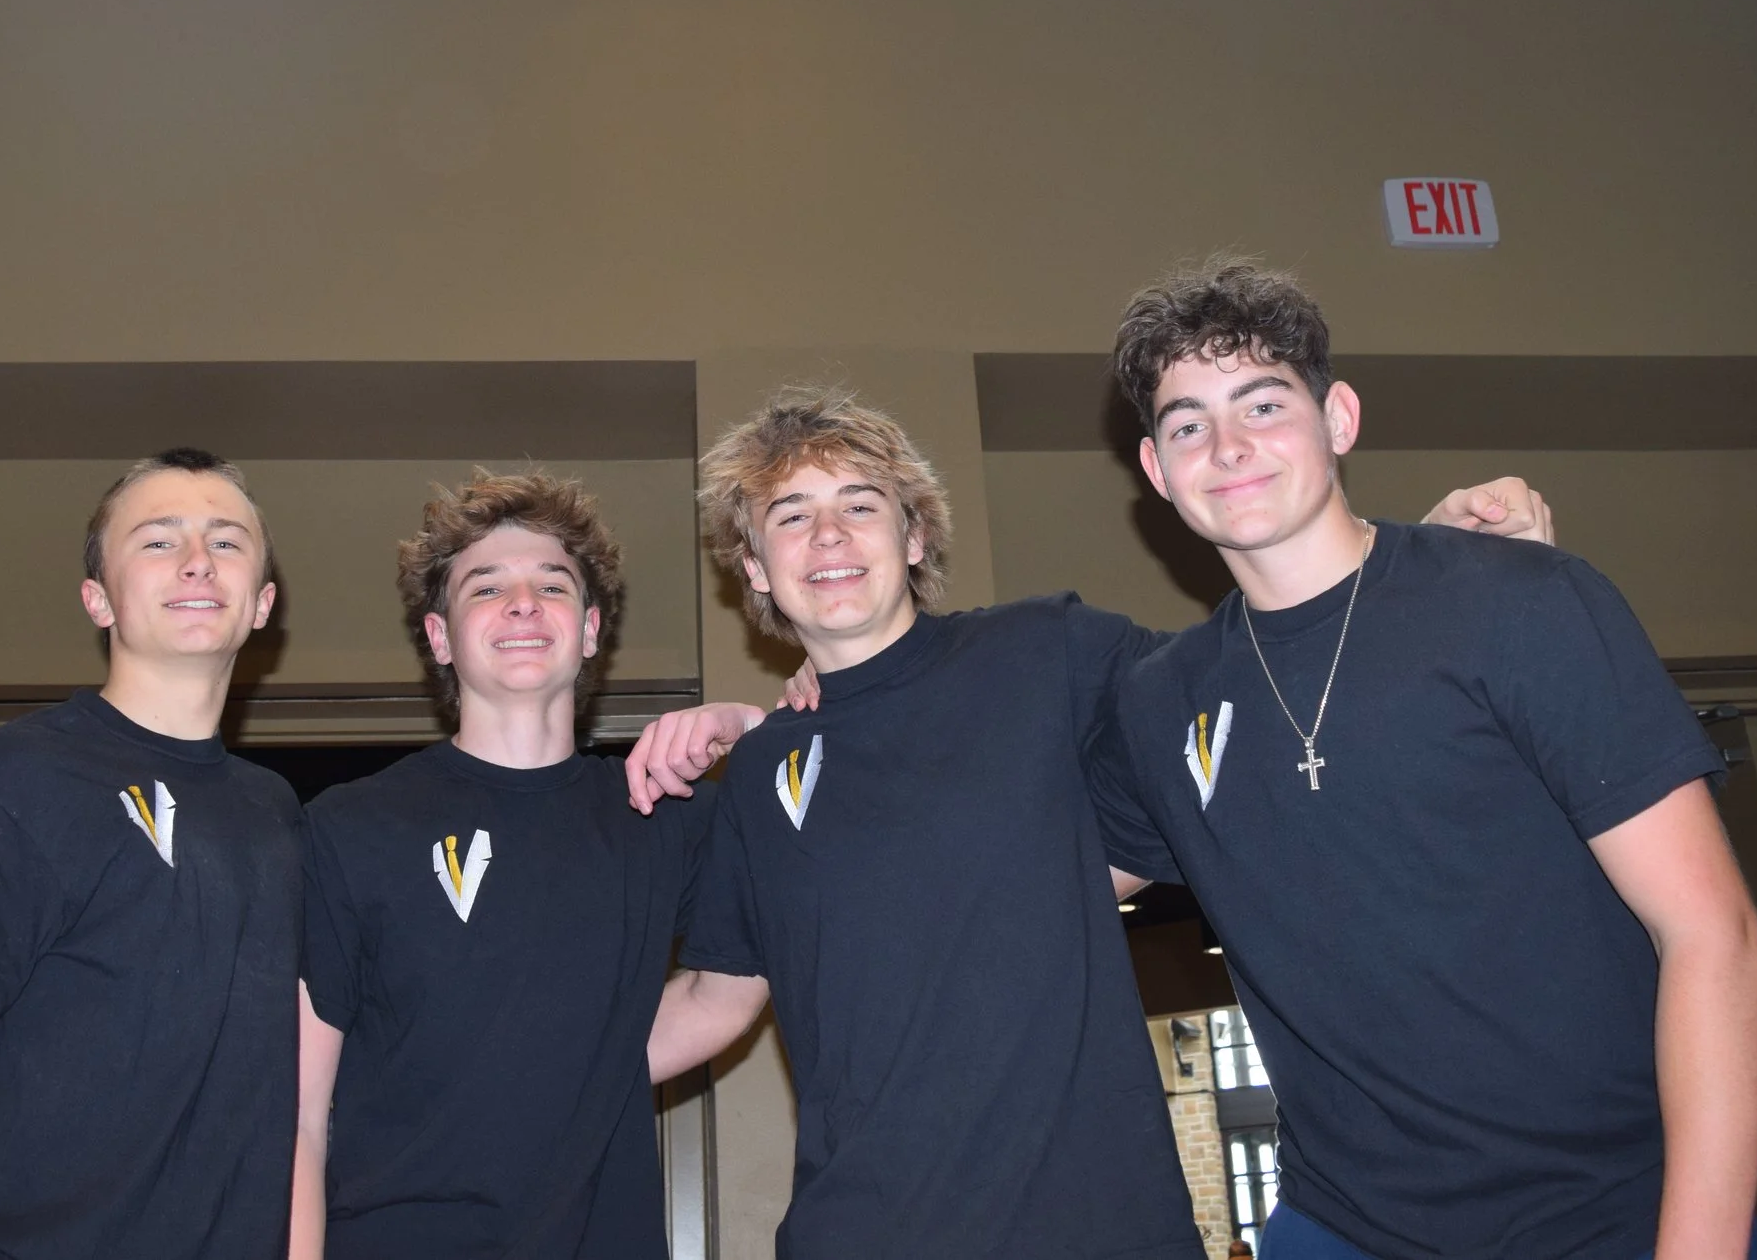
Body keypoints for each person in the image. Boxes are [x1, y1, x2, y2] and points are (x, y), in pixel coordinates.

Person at [624, 391, 1549, 1260]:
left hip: (1099, 1222)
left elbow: (1259, 689)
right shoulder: (759, 776)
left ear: (913, 535)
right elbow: (714, 996)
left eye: (860, 504)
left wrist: (1419, 566)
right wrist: (548, 1078)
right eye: (791, 515)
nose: (828, 534)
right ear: (755, 566)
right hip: (861, 1231)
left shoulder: (1044, 651)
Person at [1090, 258, 1757, 1260]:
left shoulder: (1517, 601)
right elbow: (1013, 896)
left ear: (1338, 418)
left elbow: (1713, 934)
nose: (1228, 446)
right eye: (1188, 424)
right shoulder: (1160, 702)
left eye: (1263, 404)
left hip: (1605, 1211)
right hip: (1342, 1224)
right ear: (1156, 469)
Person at [291, 471, 769, 1260]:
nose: (522, 603)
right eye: (486, 586)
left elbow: (736, 982)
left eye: (551, 584)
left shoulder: (663, 815)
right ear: (440, 637)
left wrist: (755, 733)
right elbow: (302, 1117)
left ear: (589, 629)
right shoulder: (347, 826)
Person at [0, 449, 304, 1260]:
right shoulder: (12, 778)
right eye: (159, 540)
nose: (198, 559)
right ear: (99, 598)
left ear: (262, 602)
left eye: (227, 541)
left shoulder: (277, 815)